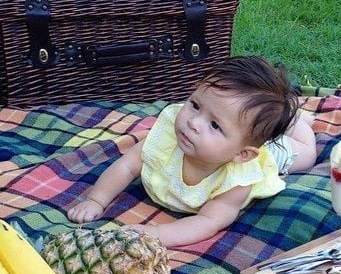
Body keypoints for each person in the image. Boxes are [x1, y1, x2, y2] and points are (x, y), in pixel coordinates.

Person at [67, 56, 317, 247]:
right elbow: (126, 166)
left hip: (269, 153)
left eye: (215, 125)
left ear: (242, 154)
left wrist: (157, 234)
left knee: (305, 154)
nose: (194, 122)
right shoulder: (167, 139)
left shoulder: (239, 179)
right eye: (195, 105)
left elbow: (207, 222)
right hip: (242, 139)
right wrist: (95, 200)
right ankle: (278, 123)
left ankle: (297, 123)